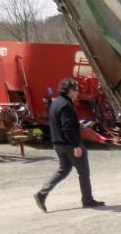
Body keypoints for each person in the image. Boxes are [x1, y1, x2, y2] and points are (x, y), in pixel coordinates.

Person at [34, 78, 104, 211]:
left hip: (58, 143)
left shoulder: (55, 103)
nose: (78, 92)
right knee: (83, 172)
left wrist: (77, 125)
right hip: (69, 144)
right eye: (76, 89)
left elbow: (61, 124)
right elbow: (66, 128)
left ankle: (42, 194)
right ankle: (88, 200)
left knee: (63, 170)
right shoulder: (66, 105)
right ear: (70, 91)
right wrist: (76, 145)